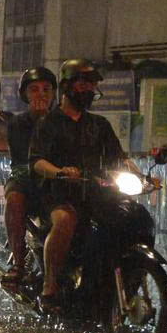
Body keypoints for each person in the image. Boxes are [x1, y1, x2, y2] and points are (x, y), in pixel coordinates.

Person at [28, 60, 128, 302]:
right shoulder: (48, 123)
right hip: (57, 194)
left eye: (92, 84)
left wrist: (142, 176)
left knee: (127, 217)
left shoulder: (99, 125)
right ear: (67, 86)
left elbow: (120, 158)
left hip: (93, 194)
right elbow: (37, 161)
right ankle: (49, 288)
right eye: (83, 83)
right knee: (65, 220)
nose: (89, 89)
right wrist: (60, 172)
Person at [0, 66, 56, 286]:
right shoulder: (18, 124)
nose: (41, 94)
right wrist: (41, 121)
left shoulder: (64, 121)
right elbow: (25, 159)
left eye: (46, 89)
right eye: (34, 89)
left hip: (59, 181)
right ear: (25, 95)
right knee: (15, 199)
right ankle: (19, 264)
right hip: (26, 180)